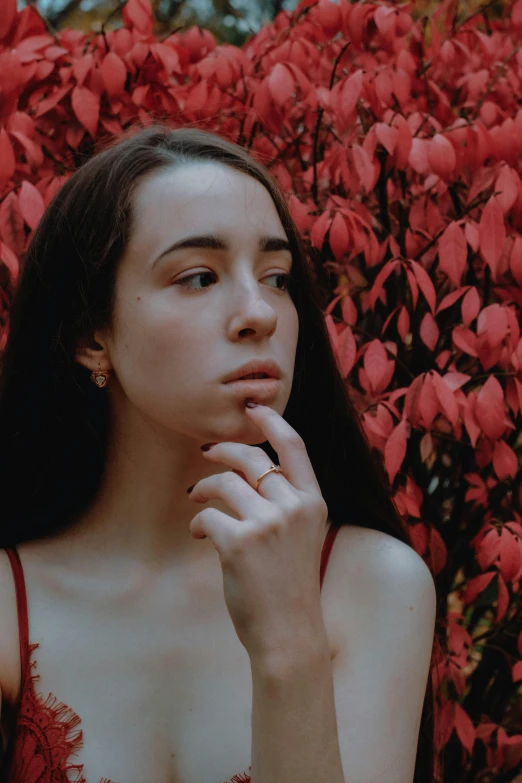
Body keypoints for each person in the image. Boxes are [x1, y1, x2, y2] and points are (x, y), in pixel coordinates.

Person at [0, 123, 444, 783]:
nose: (257, 312)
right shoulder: (11, 601)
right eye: (200, 276)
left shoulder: (375, 585)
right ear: (92, 335)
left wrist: (290, 644)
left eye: (278, 276)